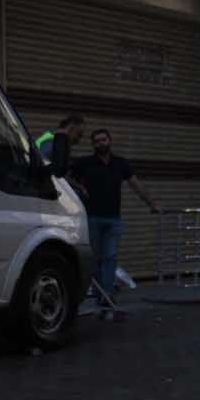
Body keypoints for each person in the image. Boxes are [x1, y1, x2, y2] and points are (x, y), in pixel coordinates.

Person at [69, 128, 160, 318]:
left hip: (113, 219)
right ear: (93, 144)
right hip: (92, 218)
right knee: (95, 259)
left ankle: (106, 296)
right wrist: (80, 187)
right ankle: (98, 296)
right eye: (96, 141)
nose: (100, 143)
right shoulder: (84, 163)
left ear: (110, 141)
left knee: (110, 258)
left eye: (103, 140)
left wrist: (152, 204)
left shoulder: (121, 164)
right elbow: (64, 177)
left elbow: (136, 185)